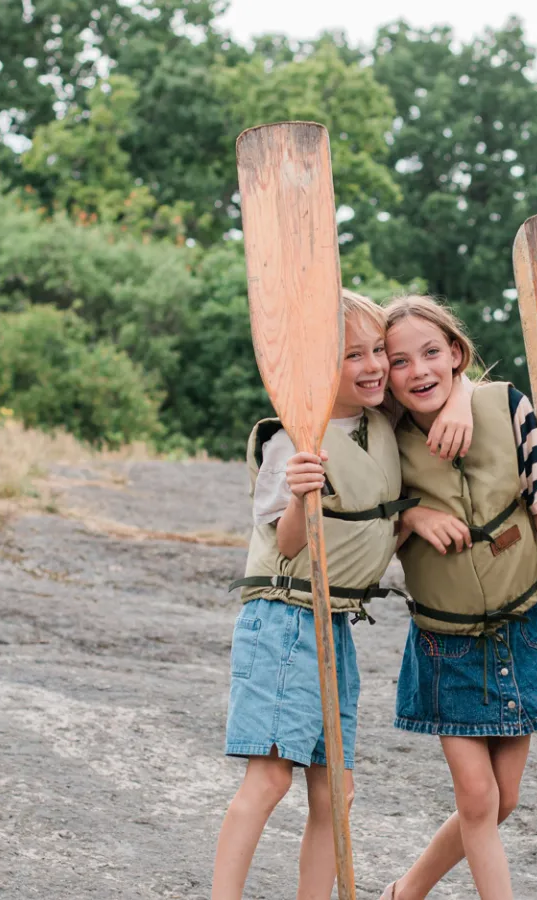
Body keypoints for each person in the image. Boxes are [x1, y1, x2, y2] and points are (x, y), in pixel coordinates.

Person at [210, 290, 471, 900]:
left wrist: (414, 517)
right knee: (271, 778)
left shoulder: (380, 421)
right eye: (353, 355)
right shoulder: (292, 440)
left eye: (377, 350)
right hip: (283, 619)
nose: (376, 365)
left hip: (335, 625)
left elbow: (444, 384)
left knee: (337, 790)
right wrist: (303, 493)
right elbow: (290, 544)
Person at [379, 295, 537, 900]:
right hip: (446, 639)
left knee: (504, 800)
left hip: (525, 623)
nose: (418, 371)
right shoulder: (385, 438)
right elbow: (371, 528)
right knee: (477, 799)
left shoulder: (506, 404)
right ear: (385, 372)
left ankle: (405, 892)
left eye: (431, 353)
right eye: (399, 361)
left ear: (456, 353)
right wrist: (415, 517)